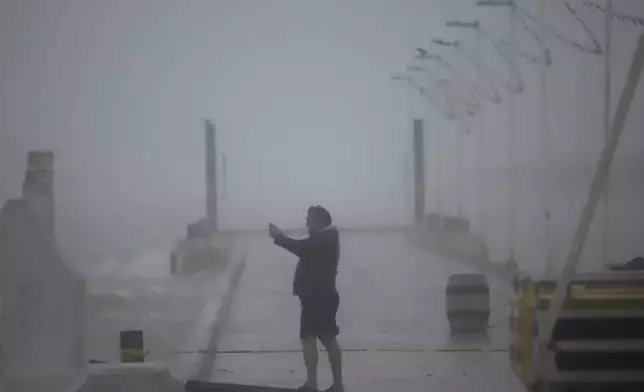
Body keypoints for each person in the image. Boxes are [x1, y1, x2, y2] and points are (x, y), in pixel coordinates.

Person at [268, 206, 344, 392]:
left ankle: (312, 385)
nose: (306, 223)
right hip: (323, 296)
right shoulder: (328, 237)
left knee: (309, 338)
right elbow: (306, 249)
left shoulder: (323, 238)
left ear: (319, 221)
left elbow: (301, 248)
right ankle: (337, 384)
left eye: (308, 219)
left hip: (316, 298)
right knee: (328, 338)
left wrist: (279, 237)